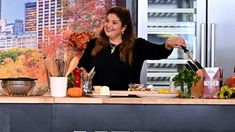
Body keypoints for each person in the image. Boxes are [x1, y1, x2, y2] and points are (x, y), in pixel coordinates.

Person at [78, 6, 186, 90]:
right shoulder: (93, 44)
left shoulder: (138, 45)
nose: (108, 25)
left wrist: (168, 44)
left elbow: (159, 51)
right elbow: (82, 67)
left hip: (129, 104)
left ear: (124, 27)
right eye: (107, 21)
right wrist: (81, 73)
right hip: (98, 102)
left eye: (114, 22)